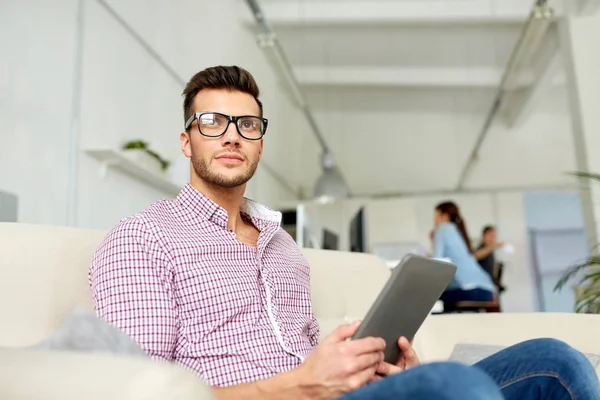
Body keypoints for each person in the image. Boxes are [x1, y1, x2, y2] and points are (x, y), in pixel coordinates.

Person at [89, 66, 600, 400]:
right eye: (212, 122)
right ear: (186, 140)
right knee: (453, 384)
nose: (231, 135)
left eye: (248, 125)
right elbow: (136, 388)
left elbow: (309, 354)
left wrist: (372, 369)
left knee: (556, 360)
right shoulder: (144, 237)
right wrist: (300, 383)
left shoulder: (282, 245)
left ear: (260, 144)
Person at [431, 202, 497, 304]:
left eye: (435, 215)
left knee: (426, 299)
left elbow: (436, 262)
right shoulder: (457, 230)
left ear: (444, 216)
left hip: (467, 289)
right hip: (487, 290)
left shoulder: (442, 228)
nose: (433, 219)